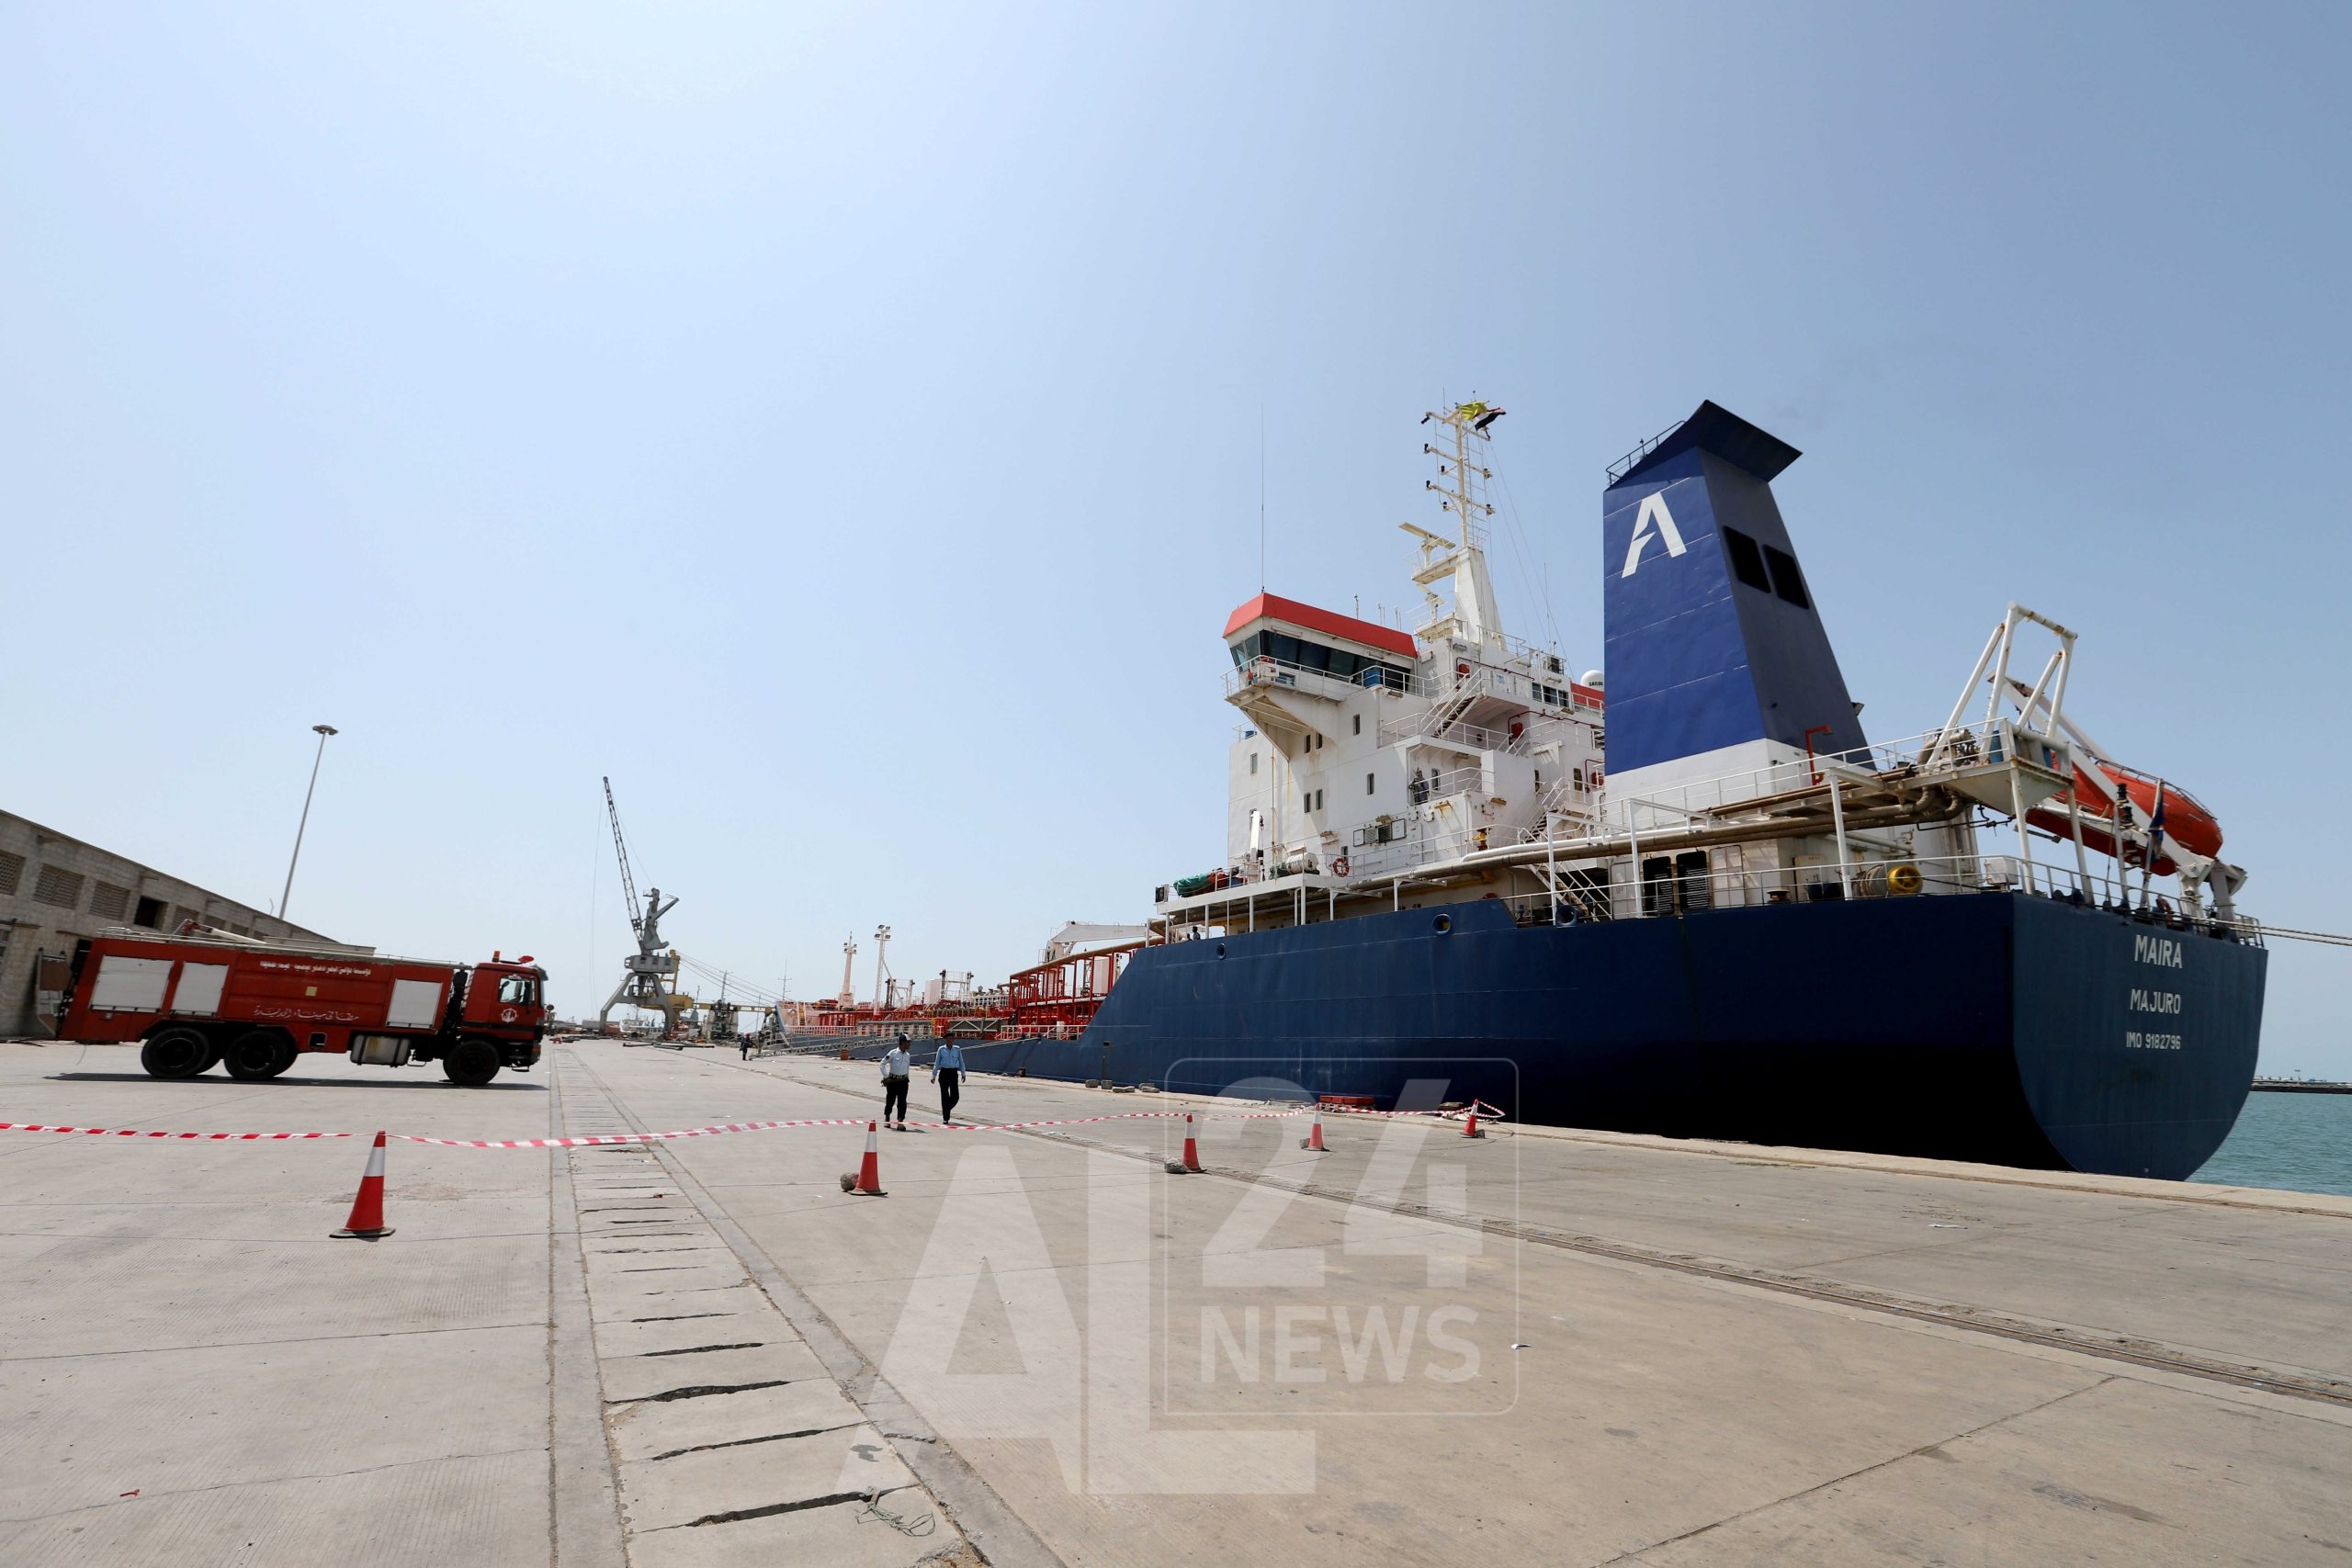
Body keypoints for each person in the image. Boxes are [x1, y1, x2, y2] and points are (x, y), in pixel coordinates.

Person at [879, 1034, 912, 1130]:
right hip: (893, 1081)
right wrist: (886, 1077)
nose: (909, 1044)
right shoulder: (893, 1053)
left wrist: (907, 1078)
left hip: (903, 1081)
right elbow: (882, 1064)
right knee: (890, 1101)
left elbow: (907, 1068)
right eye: (908, 1042)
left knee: (902, 1102)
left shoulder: (908, 1055)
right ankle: (887, 1118)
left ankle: (900, 1122)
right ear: (902, 1042)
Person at [933, 1039, 966, 1122]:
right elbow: (936, 1063)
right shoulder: (941, 1049)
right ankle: (946, 1118)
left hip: (953, 1073)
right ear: (946, 1040)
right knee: (945, 1096)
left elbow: (961, 1062)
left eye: (951, 1039)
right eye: (948, 1039)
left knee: (955, 1096)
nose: (950, 1041)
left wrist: (963, 1073)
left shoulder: (957, 1049)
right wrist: (933, 1076)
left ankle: (946, 1110)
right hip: (944, 1073)